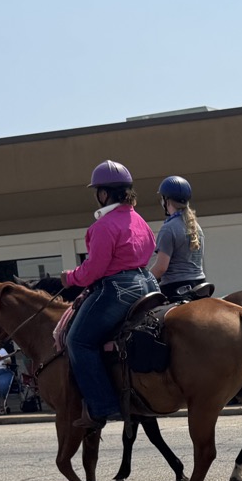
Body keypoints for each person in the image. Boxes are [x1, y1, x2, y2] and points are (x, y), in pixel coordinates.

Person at [59, 161, 157, 430]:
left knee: (77, 341)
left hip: (118, 289)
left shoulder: (103, 226)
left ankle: (102, 407)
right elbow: (149, 252)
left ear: (103, 194)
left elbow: (94, 270)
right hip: (148, 284)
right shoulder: (139, 221)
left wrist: (70, 278)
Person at [146, 175, 212, 303]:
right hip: (200, 286)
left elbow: (161, 268)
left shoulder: (168, 228)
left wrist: (144, 281)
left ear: (167, 201)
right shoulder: (196, 227)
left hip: (175, 289)